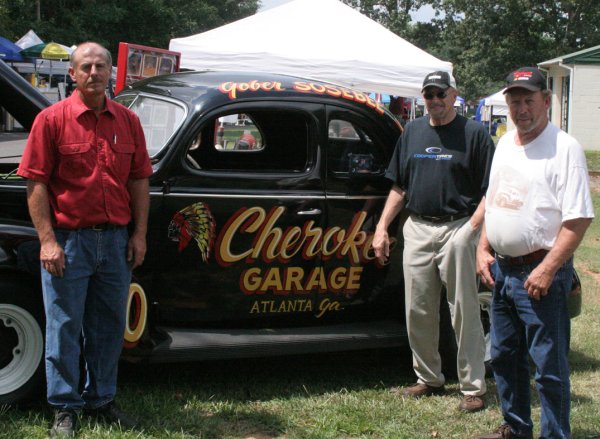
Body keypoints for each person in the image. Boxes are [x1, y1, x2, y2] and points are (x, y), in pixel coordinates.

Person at [17, 42, 153, 437]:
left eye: (100, 66)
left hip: (115, 243)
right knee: (64, 327)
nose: (94, 73)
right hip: (68, 241)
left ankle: (101, 400)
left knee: (109, 327)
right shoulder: (51, 119)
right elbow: (36, 183)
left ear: (111, 72)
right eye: (85, 67)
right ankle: (64, 406)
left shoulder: (128, 121)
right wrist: (47, 241)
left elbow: (139, 179)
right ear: (72, 75)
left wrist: (139, 234)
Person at [474, 67, 594, 439]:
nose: (521, 108)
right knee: (506, 358)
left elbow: (577, 220)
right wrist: (482, 248)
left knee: (549, 366)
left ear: (546, 101)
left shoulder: (565, 148)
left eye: (528, 99)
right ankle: (516, 427)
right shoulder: (507, 142)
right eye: (514, 100)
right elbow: (492, 198)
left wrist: (546, 269)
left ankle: (555, 435)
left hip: (541, 274)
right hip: (503, 272)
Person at [373, 71, 495, 412]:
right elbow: (399, 186)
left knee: (463, 309)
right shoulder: (411, 131)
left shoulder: (474, 133)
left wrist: (471, 229)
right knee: (418, 308)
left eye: (441, 93)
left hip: (458, 226)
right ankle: (428, 378)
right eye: (429, 94)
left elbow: (491, 190)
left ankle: (473, 387)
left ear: (453, 94)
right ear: (423, 97)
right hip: (417, 227)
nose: (436, 100)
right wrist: (383, 226)